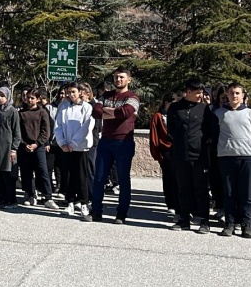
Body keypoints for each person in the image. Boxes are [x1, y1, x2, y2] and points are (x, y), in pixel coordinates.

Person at [207, 82, 251, 239]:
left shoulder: (250, 113)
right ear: (227, 95)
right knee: (229, 192)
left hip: (247, 157)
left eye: (237, 93)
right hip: (226, 157)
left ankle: (246, 225)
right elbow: (215, 134)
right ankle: (229, 224)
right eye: (231, 93)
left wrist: (247, 147)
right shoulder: (219, 113)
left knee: (247, 193)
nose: (234, 96)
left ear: (243, 95)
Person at [91, 69, 139, 224]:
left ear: (129, 80)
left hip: (123, 142)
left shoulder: (133, 97)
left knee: (123, 179)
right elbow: (95, 112)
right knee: (99, 178)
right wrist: (114, 112)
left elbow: (126, 112)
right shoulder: (106, 95)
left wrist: (107, 111)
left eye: (122, 77)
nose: (118, 79)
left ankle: (121, 214)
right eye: (116, 77)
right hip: (105, 141)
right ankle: (96, 212)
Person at [166, 80, 212, 233]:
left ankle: (204, 221)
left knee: (201, 189)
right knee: (182, 188)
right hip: (180, 155)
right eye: (197, 92)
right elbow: (171, 130)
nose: (201, 95)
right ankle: (184, 219)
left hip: (199, 155)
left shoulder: (205, 109)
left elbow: (209, 131)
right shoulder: (175, 107)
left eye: (201, 92)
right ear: (188, 92)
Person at [55, 82, 95, 222]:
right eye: (68, 92)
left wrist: (73, 143)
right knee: (68, 175)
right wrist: (62, 143)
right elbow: (58, 126)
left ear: (79, 92)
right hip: (66, 147)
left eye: (73, 92)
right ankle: (70, 202)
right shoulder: (64, 107)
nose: (71, 95)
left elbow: (86, 127)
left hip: (80, 147)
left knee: (82, 176)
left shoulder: (87, 107)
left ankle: (84, 203)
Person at [17, 88, 58, 209]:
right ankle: (29, 194)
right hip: (25, 147)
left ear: (38, 99)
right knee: (26, 172)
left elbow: (46, 131)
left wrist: (38, 143)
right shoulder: (21, 113)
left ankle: (48, 197)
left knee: (43, 171)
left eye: (32, 98)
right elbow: (18, 131)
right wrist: (24, 144)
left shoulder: (42, 112)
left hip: (38, 146)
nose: (29, 100)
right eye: (28, 97)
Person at [0, 87, 21, 209]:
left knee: (9, 176)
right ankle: (1, 198)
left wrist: (14, 149)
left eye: (2, 96)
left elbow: (17, 132)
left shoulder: (13, 111)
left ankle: (11, 200)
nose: (0, 98)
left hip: (8, 148)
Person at [149, 92, 176, 219]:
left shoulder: (177, 115)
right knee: (168, 178)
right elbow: (154, 136)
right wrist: (157, 154)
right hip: (165, 151)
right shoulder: (158, 116)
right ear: (166, 102)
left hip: (178, 150)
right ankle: (170, 204)